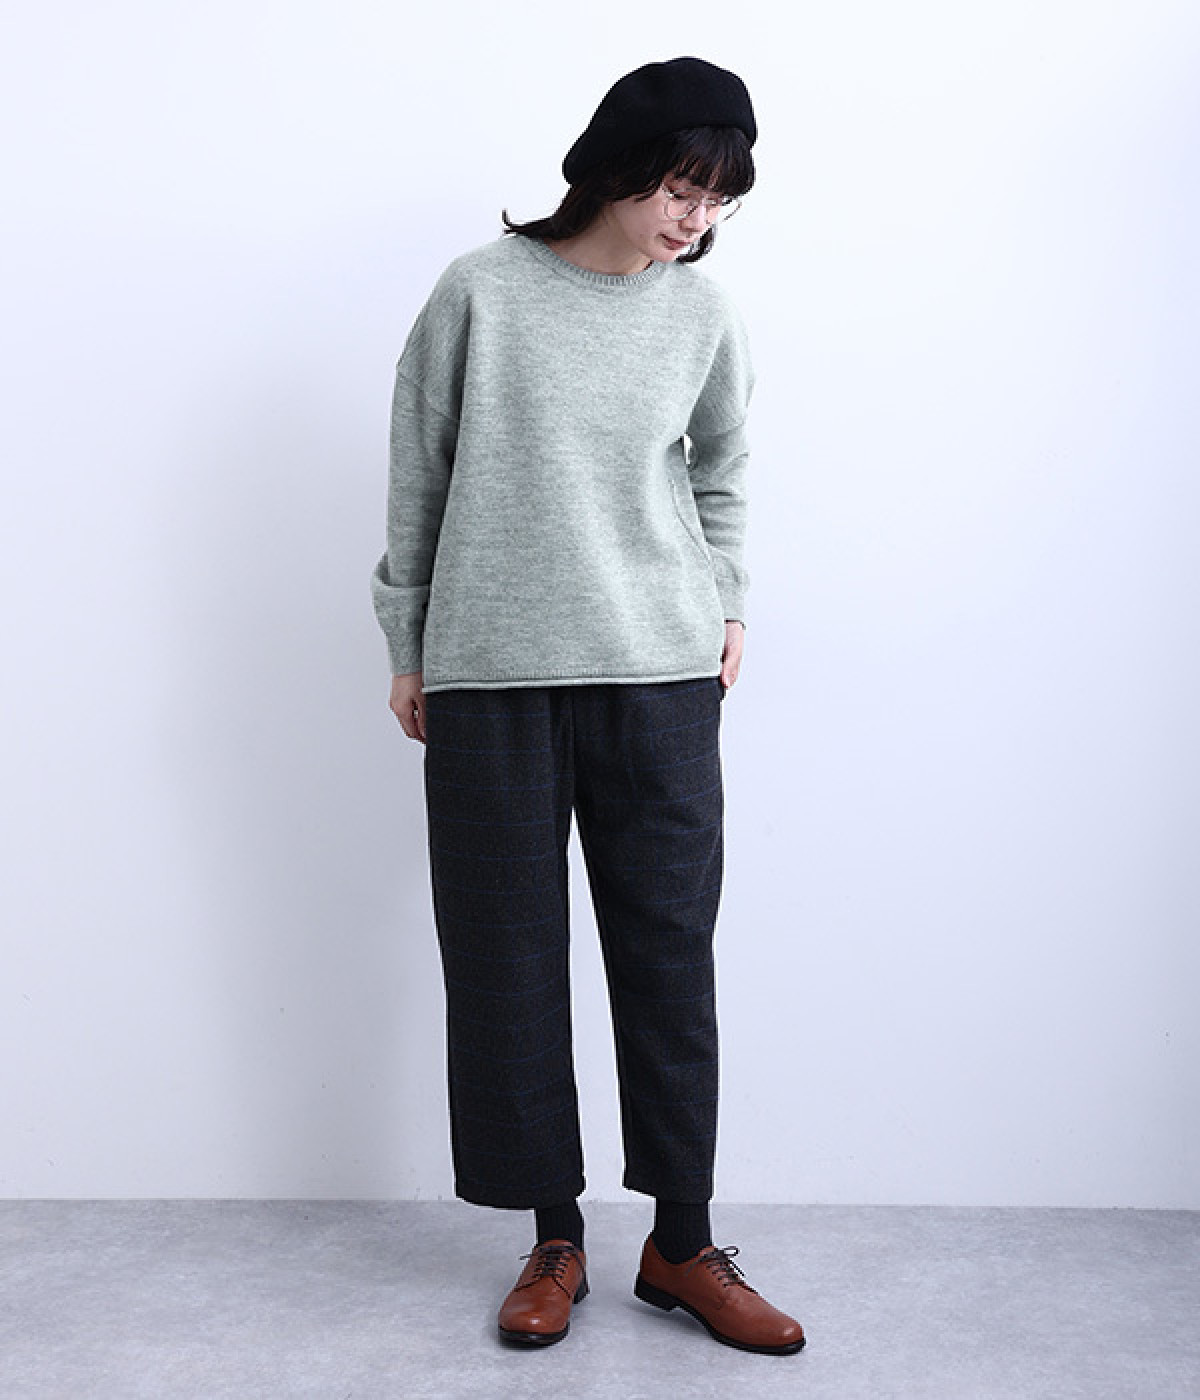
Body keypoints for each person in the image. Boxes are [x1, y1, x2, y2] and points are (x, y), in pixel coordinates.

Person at [370, 55, 805, 1356]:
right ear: (618, 167)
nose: (695, 218)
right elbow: (419, 470)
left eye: (719, 199)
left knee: (668, 958)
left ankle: (682, 1240)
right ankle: (553, 1236)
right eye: (681, 188)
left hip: (660, 670)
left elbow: (723, 468)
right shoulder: (480, 293)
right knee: (506, 961)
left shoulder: (702, 313)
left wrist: (728, 601)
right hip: (492, 672)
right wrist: (408, 640)